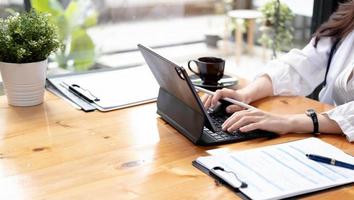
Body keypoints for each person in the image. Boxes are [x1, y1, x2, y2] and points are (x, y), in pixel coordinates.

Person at [203, 0, 354, 142]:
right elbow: (299, 65)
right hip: (324, 137)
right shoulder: (348, 21)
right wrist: (245, 95)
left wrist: (286, 121)